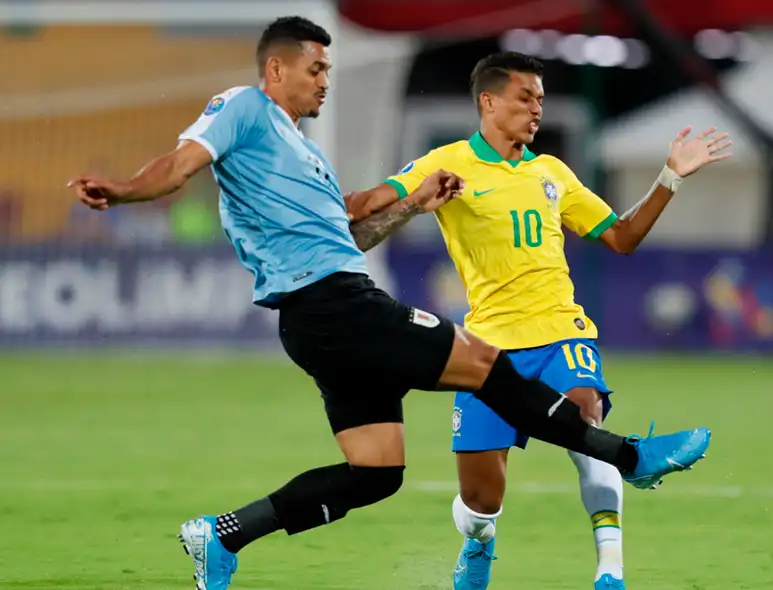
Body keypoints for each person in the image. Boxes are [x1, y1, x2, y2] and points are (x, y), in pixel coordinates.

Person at [68, 19, 711, 590]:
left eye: (329, 69)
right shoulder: (243, 108)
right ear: (276, 69)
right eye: (316, 68)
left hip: (319, 317)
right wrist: (122, 190)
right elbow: (179, 165)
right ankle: (630, 457)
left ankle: (222, 535)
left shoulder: (304, 155)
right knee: (485, 363)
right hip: (337, 305)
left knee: (376, 472)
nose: (325, 81)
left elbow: (355, 233)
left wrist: (412, 205)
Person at [348, 52, 732, 590]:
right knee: (482, 501)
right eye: (525, 97)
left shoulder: (552, 172)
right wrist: (367, 204)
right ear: (488, 101)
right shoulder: (449, 162)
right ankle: (478, 544)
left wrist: (670, 176)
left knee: (584, 417)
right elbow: (367, 205)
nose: (536, 109)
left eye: (540, 100)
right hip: (485, 351)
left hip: (561, 332)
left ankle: (610, 570)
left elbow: (621, 237)